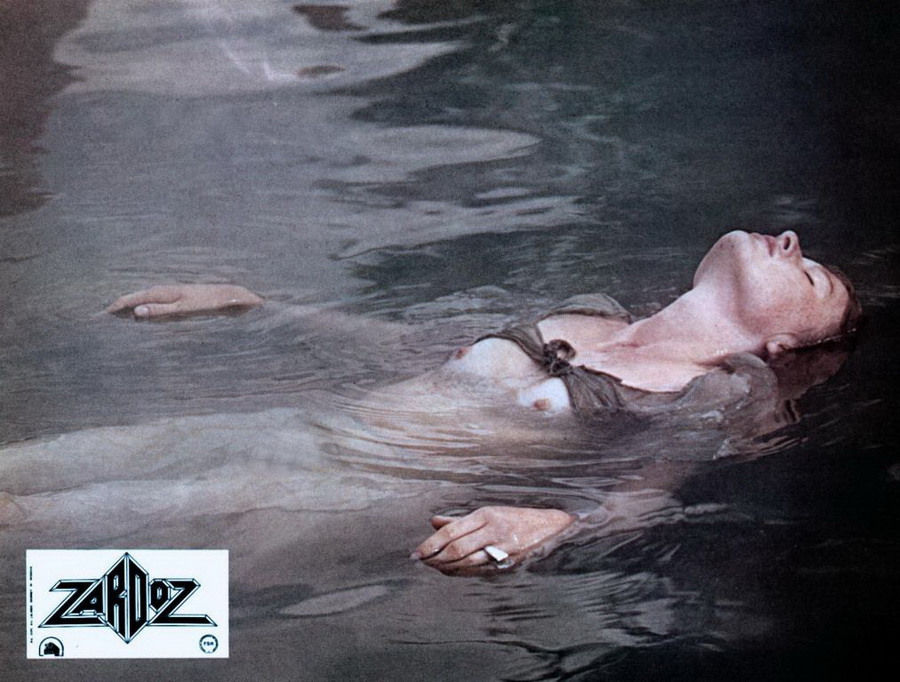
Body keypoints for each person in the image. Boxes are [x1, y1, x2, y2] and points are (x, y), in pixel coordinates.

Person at [106, 230, 861, 574]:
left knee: (70, 582)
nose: (790, 239)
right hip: (291, 431)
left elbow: (644, 501)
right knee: (42, 486)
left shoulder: (714, 392)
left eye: (811, 276)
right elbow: (405, 348)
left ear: (782, 347)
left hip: (341, 498)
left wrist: (554, 524)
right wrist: (255, 308)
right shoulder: (588, 311)